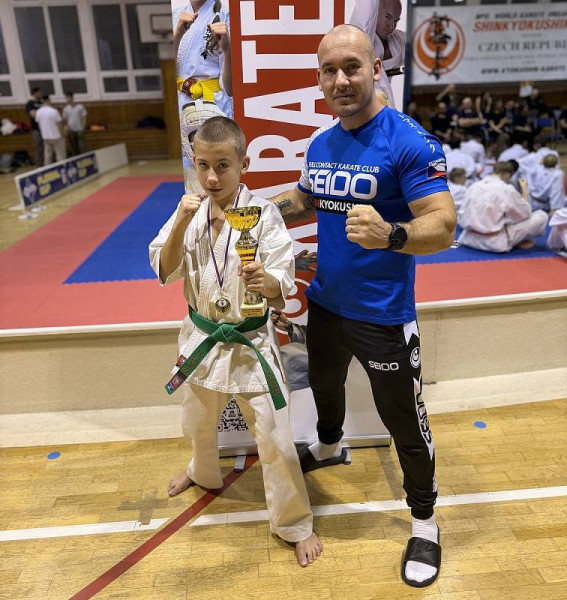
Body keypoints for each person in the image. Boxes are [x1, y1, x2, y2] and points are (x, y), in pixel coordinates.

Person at [271, 24, 456, 588]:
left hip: (383, 317)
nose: (341, 80)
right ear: (319, 79)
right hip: (326, 303)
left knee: (404, 422)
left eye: (352, 66)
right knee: (324, 388)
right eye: (329, 70)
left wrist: (393, 235)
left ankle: (425, 523)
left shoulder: (409, 142)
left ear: (376, 69)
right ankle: (330, 446)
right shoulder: (323, 143)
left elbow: (444, 225)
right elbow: (306, 197)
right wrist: (247, 212)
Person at [148, 116, 321, 567]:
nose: (211, 177)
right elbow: (165, 269)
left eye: (222, 165)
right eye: (203, 165)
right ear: (194, 163)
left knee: (276, 438)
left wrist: (267, 280)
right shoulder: (188, 212)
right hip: (202, 339)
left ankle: (294, 522)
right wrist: (181, 222)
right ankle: (201, 471)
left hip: (250, 344)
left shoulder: (264, 214)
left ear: (243, 164)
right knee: (196, 422)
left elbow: (283, 277)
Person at [458, 162, 548, 252]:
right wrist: (524, 190)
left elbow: (461, 214)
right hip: (494, 242)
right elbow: (525, 214)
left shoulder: (474, 186)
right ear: (507, 174)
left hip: (468, 238)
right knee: (541, 216)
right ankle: (517, 240)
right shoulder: (505, 189)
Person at [349, 0, 405, 107]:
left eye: (396, 21)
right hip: (362, 105)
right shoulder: (361, 33)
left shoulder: (398, 39)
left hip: (384, 107)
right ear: (375, 11)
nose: (391, 26)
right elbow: (367, 6)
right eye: (387, 17)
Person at [34, 96, 66, 165]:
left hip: (46, 137)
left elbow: (39, 124)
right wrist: (62, 133)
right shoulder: (54, 111)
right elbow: (59, 123)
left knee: (48, 156)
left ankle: (47, 169)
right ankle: (62, 168)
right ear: (48, 100)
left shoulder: (38, 112)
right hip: (56, 136)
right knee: (60, 155)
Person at [25, 87, 44, 167]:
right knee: (38, 147)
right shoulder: (30, 104)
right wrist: (43, 112)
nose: (41, 94)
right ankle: (39, 166)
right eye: (39, 93)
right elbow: (33, 115)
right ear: (35, 93)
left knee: (47, 147)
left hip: (45, 128)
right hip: (36, 129)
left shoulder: (42, 102)